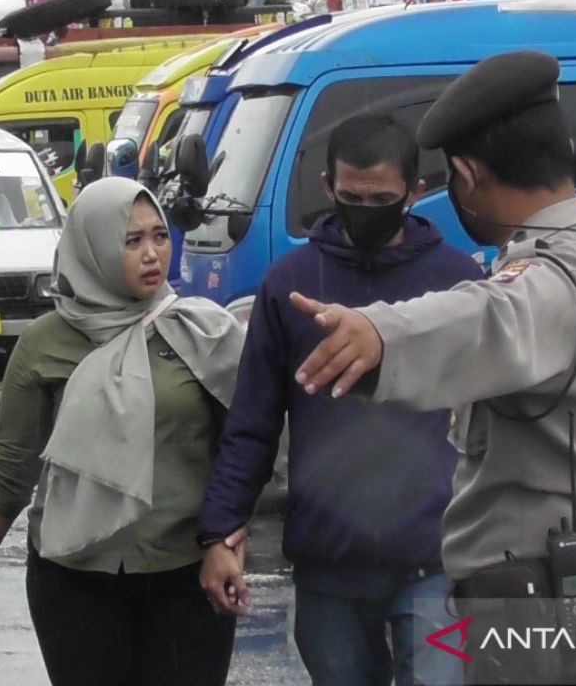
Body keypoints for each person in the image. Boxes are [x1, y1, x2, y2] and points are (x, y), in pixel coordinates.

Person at [290, 51, 576, 685]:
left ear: (466, 175)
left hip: (551, 618)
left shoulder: (555, 281)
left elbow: (487, 314)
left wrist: (378, 334)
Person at [198, 115, 481, 686]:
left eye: (381, 198)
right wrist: (220, 534)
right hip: (329, 561)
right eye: (352, 197)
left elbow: (496, 422)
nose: (365, 208)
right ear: (328, 188)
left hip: (435, 558)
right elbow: (251, 425)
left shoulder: (458, 282)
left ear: (415, 192)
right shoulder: (291, 284)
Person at [0, 178, 246, 686]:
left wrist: (229, 542)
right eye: (131, 241)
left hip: (185, 576)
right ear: (90, 247)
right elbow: (10, 470)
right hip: (73, 579)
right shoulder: (45, 344)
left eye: (159, 236)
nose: (151, 254)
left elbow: (245, 453)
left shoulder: (202, 331)